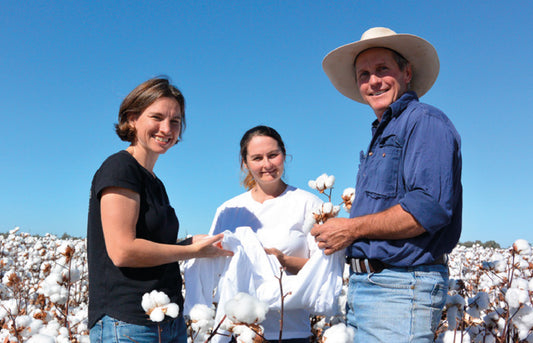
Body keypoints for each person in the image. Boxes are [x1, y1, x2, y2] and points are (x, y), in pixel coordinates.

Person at [313, 27, 462, 342]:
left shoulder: (425, 122)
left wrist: (350, 229)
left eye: (383, 69)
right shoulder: (384, 132)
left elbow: (427, 210)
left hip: (400, 289)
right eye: (364, 74)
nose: (373, 81)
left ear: (406, 73)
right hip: (372, 288)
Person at [87, 77, 233, 343]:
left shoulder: (153, 181)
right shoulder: (120, 169)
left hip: (166, 321)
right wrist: (190, 251)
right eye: (157, 117)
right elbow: (123, 251)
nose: (167, 128)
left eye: (175, 121)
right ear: (132, 119)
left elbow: (152, 246)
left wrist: (190, 242)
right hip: (129, 323)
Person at [209, 125, 323, 342]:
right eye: (257, 158)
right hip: (237, 332)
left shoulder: (308, 204)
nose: (267, 164)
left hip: (290, 332)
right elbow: (213, 268)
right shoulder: (228, 211)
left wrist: (285, 260)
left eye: (273, 155)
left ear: (284, 155)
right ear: (245, 163)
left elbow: (324, 269)